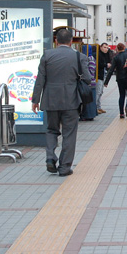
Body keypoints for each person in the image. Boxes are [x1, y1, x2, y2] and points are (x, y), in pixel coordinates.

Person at [32, 28, 91, 177]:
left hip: (50, 100)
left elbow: (40, 80)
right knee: (69, 134)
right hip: (71, 101)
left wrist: (35, 100)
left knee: (51, 130)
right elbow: (88, 79)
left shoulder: (47, 56)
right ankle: (64, 167)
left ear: (56, 41)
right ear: (71, 41)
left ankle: (50, 157)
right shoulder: (79, 57)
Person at [104, 43, 127, 119]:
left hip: (120, 78)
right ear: (124, 47)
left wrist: (106, 82)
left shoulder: (116, 57)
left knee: (122, 95)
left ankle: (121, 113)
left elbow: (111, 70)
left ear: (117, 49)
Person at [96, 43, 112, 114]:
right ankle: (96, 108)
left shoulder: (106, 55)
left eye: (107, 47)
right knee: (98, 92)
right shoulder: (98, 55)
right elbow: (98, 64)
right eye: (104, 47)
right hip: (99, 75)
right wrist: (106, 65)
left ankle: (99, 107)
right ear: (100, 47)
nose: (106, 49)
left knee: (101, 92)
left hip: (103, 75)